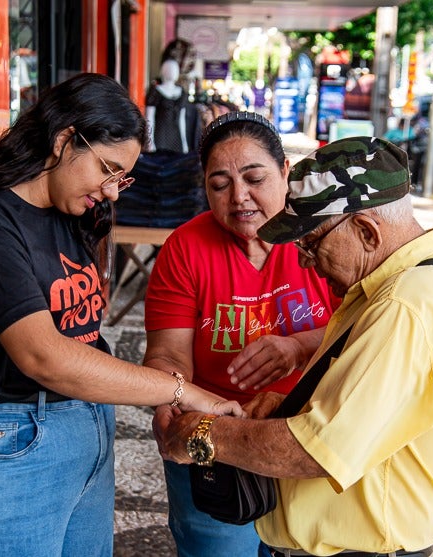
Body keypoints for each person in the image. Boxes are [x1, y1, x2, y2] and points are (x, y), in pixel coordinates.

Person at [0, 73, 243, 557]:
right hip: (11, 447)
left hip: (85, 431)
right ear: (65, 139)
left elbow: (85, 338)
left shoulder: (73, 215)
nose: (113, 192)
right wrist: (181, 391)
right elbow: (44, 356)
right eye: (107, 169)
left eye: (122, 178)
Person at [156, 137, 433, 557]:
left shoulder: (406, 307)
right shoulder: (407, 286)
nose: (305, 262)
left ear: (367, 232)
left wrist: (204, 433)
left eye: (312, 243)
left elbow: (315, 449)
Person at [143, 111, 340, 557]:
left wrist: (299, 345)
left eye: (255, 178)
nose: (240, 198)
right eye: (220, 185)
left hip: (307, 432)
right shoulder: (185, 248)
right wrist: (168, 399)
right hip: (217, 438)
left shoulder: (323, 232)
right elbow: (169, 353)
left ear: (285, 171)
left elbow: (368, 323)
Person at [145, 59, 198, 153]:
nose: (172, 71)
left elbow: (182, 120)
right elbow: (149, 118)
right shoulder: (155, 92)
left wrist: (184, 141)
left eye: (174, 69)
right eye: (169, 68)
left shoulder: (182, 93)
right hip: (159, 136)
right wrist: (150, 141)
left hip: (176, 138)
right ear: (163, 71)